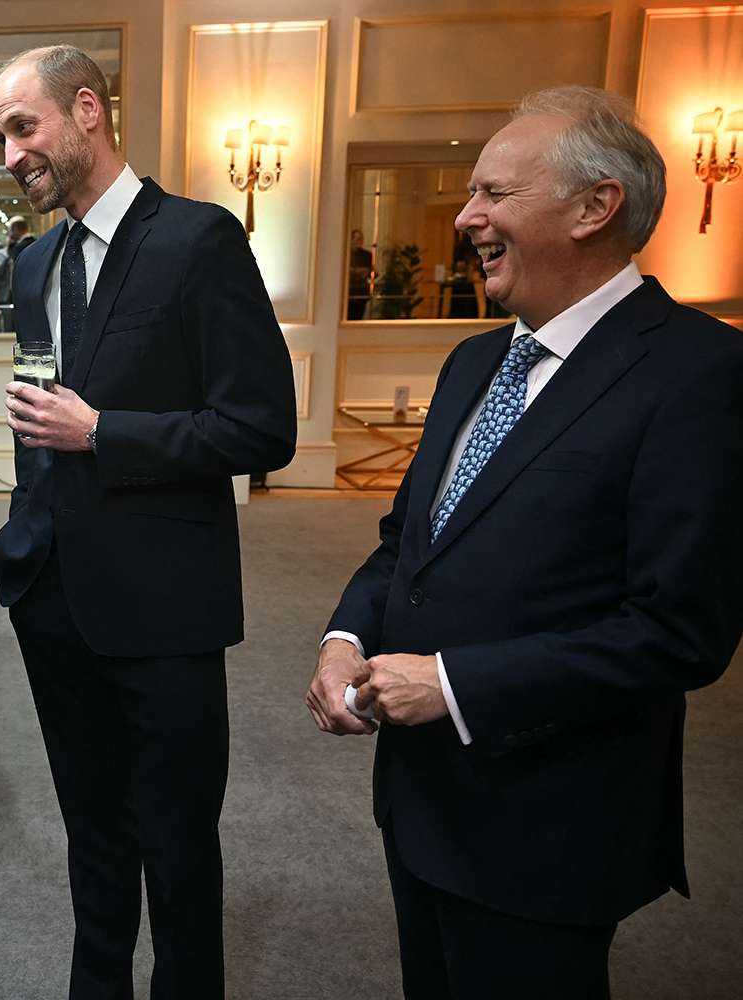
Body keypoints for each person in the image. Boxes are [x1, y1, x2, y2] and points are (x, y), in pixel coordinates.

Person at [307, 86, 743, 999]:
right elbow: (407, 542)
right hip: (423, 800)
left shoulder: (699, 373)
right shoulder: (474, 360)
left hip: (551, 823)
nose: (466, 217)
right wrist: (344, 635)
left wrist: (457, 685)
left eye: (494, 194)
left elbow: (681, 631)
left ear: (596, 207)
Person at [0, 45, 297, 999]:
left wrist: (104, 433)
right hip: (53, 598)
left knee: (176, 842)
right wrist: (24, 534)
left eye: (22, 127)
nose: (8, 155)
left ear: (88, 109)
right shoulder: (34, 256)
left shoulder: (200, 240)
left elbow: (262, 427)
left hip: (165, 612)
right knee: (92, 833)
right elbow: (44, 411)